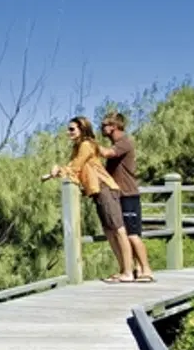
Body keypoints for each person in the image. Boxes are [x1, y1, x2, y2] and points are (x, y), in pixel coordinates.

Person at [41, 116, 134, 283]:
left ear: (82, 129)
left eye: (72, 129)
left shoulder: (86, 145)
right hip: (97, 191)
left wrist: (57, 170)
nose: (68, 132)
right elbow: (74, 168)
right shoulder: (77, 146)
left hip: (104, 188)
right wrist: (57, 172)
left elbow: (75, 167)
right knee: (109, 231)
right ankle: (123, 270)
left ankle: (128, 271)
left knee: (118, 230)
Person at [98, 112, 154, 282]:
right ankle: (130, 269)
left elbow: (107, 153)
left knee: (132, 234)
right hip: (118, 195)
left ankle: (146, 270)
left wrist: (88, 144)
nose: (101, 128)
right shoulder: (117, 143)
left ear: (114, 126)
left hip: (128, 195)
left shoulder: (124, 142)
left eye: (104, 125)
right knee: (121, 234)